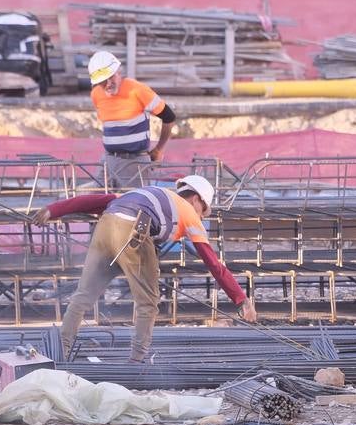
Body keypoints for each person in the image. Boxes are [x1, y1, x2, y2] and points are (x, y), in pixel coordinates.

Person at [33, 174, 256, 361]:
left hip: (105, 227)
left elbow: (90, 202)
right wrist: (242, 300)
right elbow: (215, 266)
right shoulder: (190, 215)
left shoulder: (143, 192)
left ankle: (59, 353)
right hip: (134, 231)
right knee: (147, 302)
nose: (200, 215)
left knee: (83, 296)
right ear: (197, 199)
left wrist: (52, 210)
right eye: (203, 210)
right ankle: (137, 363)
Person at [87, 50, 177, 188]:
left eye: (111, 77)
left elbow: (169, 116)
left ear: (119, 72)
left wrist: (159, 149)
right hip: (108, 159)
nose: (108, 83)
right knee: (95, 200)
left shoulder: (137, 90)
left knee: (132, 204)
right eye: (103, 81)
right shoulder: (96, 95)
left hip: (134, 162)